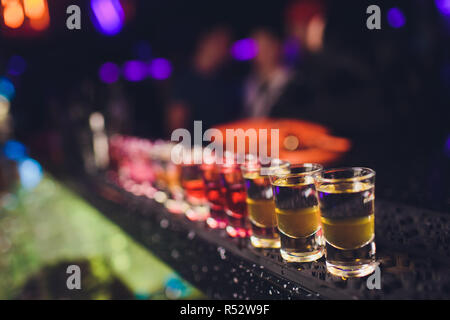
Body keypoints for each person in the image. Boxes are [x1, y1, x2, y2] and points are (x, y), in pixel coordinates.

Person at [166, 26, 241, 136]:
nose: (222, 49)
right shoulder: (184, 81)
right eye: (218, 43)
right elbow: (176, 126)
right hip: (193, 150)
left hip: (220, 150)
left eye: (226, 45)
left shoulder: (227, 83)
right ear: (204, 42)